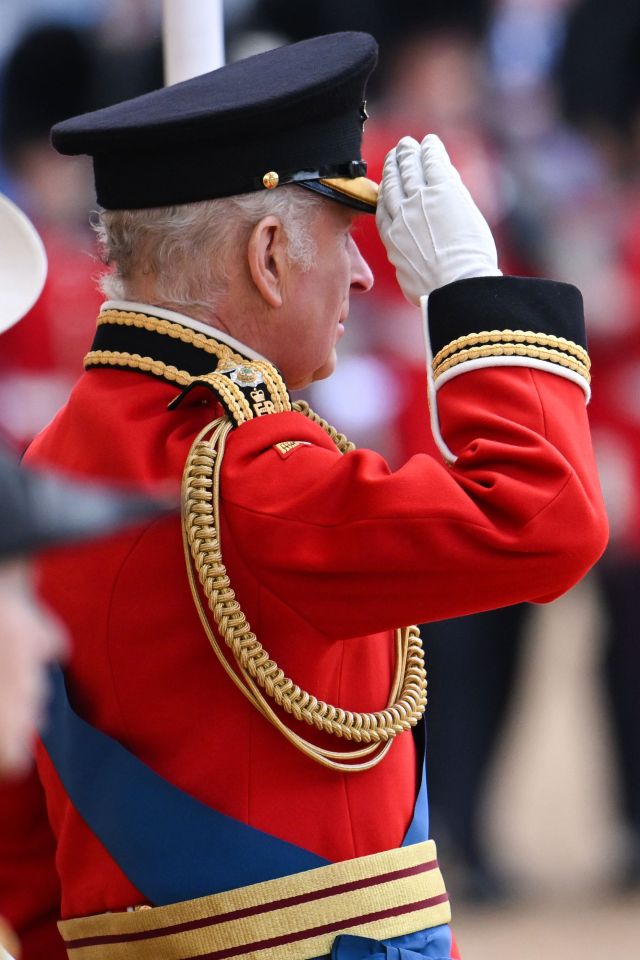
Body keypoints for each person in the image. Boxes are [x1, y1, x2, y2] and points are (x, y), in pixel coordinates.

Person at [0, 31, 607, 960]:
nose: (364, 274)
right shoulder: (243, 467)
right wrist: (472, 291)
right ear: (270, 252)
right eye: (344, 239)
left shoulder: (56, 455)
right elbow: (543, 519)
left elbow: (27, 830)